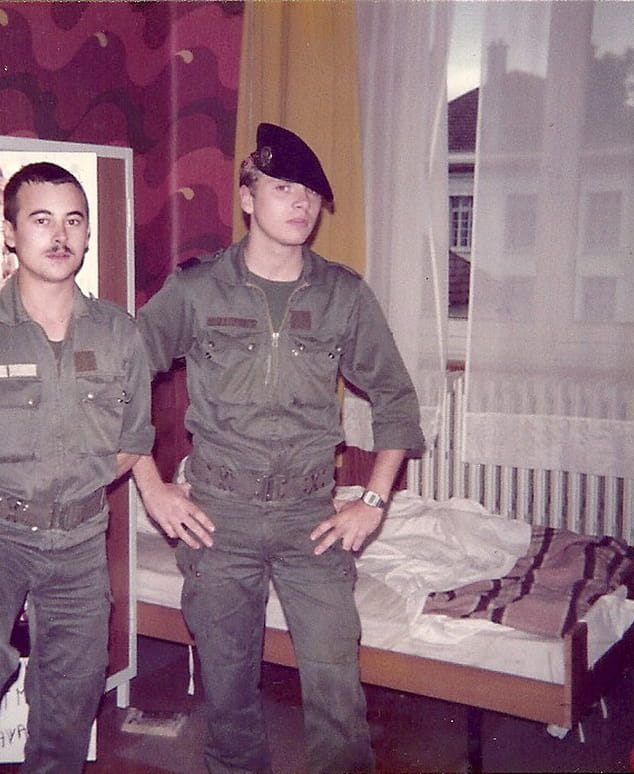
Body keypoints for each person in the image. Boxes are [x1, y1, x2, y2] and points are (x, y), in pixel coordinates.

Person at [132, 123, 425, 774]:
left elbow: (396, 398)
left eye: (311, 194)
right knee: (228, 695)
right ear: (247, 198)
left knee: (337, 692)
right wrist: (153, 487)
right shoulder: (197, 289)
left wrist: (373, 500)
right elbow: (120, 384)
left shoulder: (344, 294)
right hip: (218, 518)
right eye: (283, 187)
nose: (300, 202)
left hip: (310, 518)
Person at [0, 162, 155, 774]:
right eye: (41, 220)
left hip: (81, 545)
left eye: (73, 220)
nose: (59, 235)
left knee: (72, 697)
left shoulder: (119, 334)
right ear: (11, 233)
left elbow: (131, 442)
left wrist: (68, 495)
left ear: (88, 233)